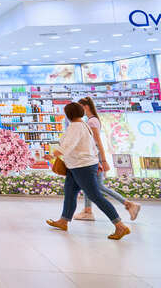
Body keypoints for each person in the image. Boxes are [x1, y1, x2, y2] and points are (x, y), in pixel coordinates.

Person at [45, 102, 131, 240]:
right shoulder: (84, 125)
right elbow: (91, 145)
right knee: (69, 192)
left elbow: (68, 145)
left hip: (82, 166)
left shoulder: (76, 127)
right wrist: (97, 161)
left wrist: (52, 155)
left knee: (95, 196)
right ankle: (63, 220)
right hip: (77, 166)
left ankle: (120, 225)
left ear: (68, 115)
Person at [74, 97, 141, 221]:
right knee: (91, 184)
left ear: (86, 106)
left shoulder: (91, 122)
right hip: (95, 156)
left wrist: (103, 160)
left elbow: (98, 142)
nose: (79, 110)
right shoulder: (92, 120)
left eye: (80, 107)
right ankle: (88, 211)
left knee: (96, 185)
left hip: (95, 156)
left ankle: (128, 204)